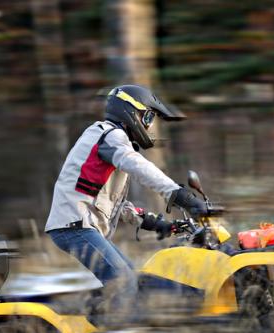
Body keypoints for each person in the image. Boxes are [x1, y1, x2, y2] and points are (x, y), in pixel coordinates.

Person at [44, 84, 207, 314]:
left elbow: (112, 203)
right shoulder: (110, 135)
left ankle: (186, 310)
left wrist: (156, 223)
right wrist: (178, 195)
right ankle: (119, 331)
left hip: (78, 226)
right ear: (130, 111)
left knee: (136, 280)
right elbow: (139, 166)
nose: (149, 125)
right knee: (123, 281)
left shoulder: (105, 140)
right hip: (74, 227)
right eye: (148, 117)